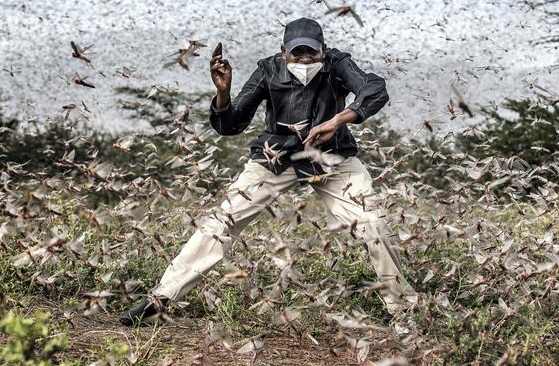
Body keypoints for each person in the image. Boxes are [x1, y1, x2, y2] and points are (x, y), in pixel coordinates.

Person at [120, 17, 417, 327]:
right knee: (222, 222)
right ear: (283, 51)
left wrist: (336, 121)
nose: (304, 60)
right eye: (296, 53)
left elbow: (374, 89)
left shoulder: (338, 64)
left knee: (372, 223)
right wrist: (223, 94)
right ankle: (161, 299)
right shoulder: (267, 70)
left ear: (324, 51)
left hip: (332, 156)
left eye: (311, 54)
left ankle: (403, 312)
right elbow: (231, 125)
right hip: (276, 157)